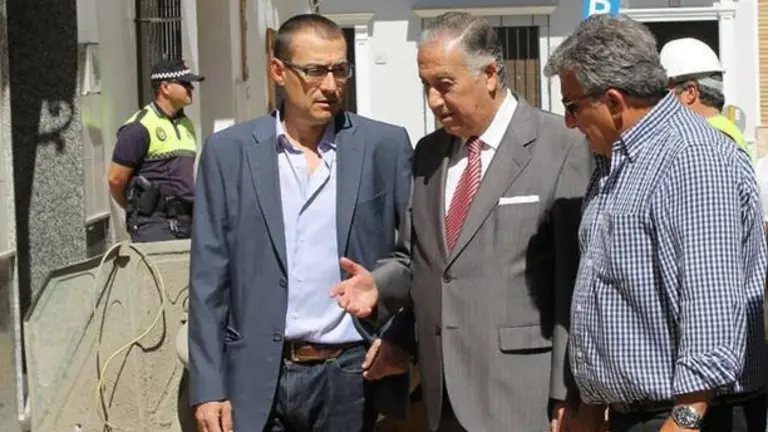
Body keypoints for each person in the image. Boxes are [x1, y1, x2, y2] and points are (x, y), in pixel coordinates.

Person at [330, 11, 593, 432]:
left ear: (489, 74)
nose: (433, 101)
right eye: (426, 86)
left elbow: (576, 282)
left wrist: (570, 393)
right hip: (442, 396)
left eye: (444, 85)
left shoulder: (562, 145)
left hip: (523, 396)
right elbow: (418, 258)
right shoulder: (428, 154)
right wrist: (379, 285)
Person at [187, 14, 412, 432]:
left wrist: (401, 335)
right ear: (278, 70)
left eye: (340, 70)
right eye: (314, 71)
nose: (331, 85)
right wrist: (208, 386)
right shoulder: (228, 153)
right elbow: (208, 279)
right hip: (256, 375)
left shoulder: (384, 146)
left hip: (351, 373)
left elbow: (417, 255)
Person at [543, 14, 767, 432]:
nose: (569, 122)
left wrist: (684, 418)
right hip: (642, 413)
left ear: (614, 102)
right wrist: (591, 404)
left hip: (692, 416)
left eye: (572, 106)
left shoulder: (693, 159)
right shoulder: (617, 162)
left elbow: (710, 306)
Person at [107, 59, 204, 242]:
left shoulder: (186, 124)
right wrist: (134, 208)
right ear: (165, 87)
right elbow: (115, 179)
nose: (191, 88)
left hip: (187, 220)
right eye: (185, 83)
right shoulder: (139, 127)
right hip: (153, 223)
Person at [659, 37, 748, 153]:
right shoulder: (728, 130)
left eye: (664, 91)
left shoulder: (700, 141)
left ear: (690, 92)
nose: (659, 101)